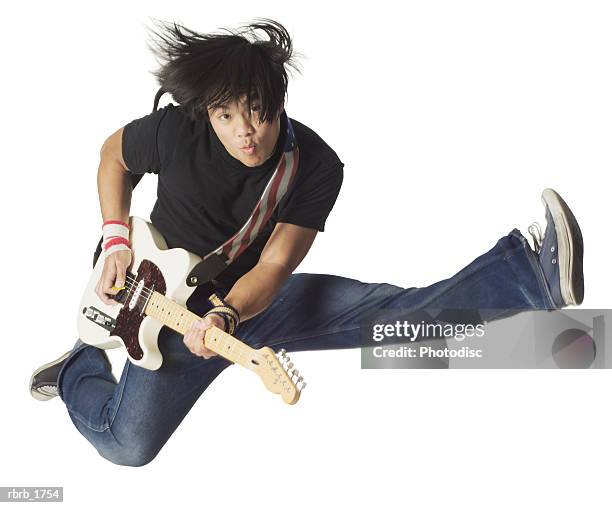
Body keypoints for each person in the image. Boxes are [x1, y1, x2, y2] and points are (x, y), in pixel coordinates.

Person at [28, 18, 584, 467]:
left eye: (255, 109)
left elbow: (273, 265)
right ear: (208, 114)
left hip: (238, 307)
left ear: (278, 96)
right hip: (148, 296)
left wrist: (225, 316)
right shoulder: (179, 129)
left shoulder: (315, 166)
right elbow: (113, 155)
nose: (244, 130)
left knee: (394, 319)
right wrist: (116, 237)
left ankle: (531, 273)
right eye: (226, 115)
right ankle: (81, 366)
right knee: (128, 447)